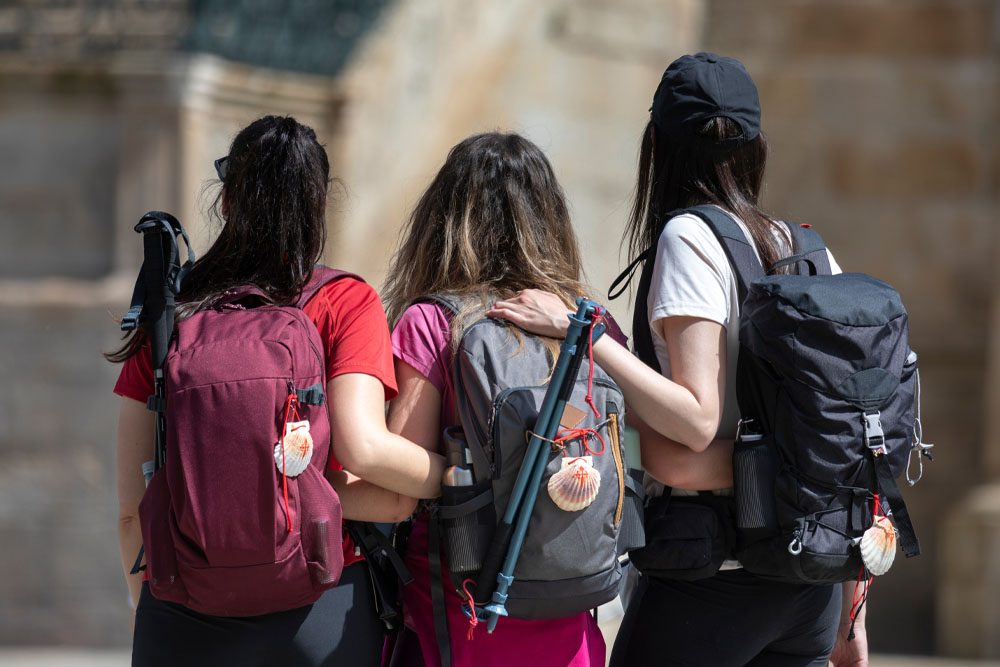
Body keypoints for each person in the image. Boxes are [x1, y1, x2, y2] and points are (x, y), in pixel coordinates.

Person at [488, 54, 866, 667]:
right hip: (811, 586)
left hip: (716, 582)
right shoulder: (810, 249)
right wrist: (853, 615)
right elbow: (843, 444)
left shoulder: (690, 237)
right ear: (756, 146)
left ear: (657, 143)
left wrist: (581, 333)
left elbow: (694, 421)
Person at [108, 115, 444, 666]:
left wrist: (142, 601)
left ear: (226, 199)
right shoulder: (345, 302)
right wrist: (454, 473)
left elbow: (130, 506)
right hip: (319, 608)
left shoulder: (172, 313)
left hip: (183, 612)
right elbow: (369, 459)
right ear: (318, 205)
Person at [382, 132, 621, 667]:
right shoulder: (588, 327)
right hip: (572, 622)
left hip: (461, 615)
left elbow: (396, 474)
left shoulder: (434, 322)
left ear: (443, 221)